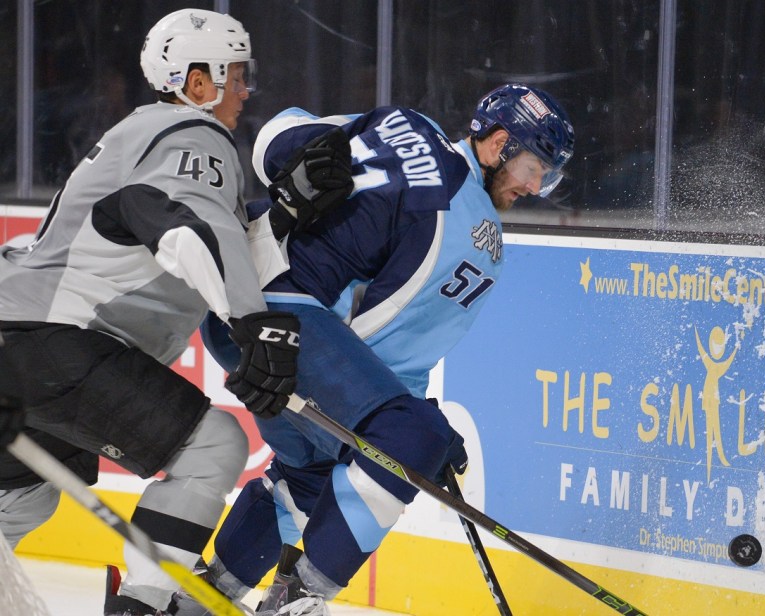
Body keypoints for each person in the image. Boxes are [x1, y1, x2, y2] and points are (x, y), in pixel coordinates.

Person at [171, 83, 575, 616]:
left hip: (229, 296)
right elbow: (388, 349)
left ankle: (199, 600)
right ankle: (299, 600)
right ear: (499, 144)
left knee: (312, 471)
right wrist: (416, 429)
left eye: (547, 176)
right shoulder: (476, 233)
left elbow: (278, 134)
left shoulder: (404, 122)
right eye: (533, 168)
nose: (536, 185)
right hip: (283, 324)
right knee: (408, 438)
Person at [0, 9, 318, 616]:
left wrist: (285, 214)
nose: (245, 91)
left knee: (18, 502)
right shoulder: (192, 134)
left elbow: (206, 230)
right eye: (236, 76)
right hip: (59, 340)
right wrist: (254, 323)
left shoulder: (143, 134)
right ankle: (142, 608)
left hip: (19, 339)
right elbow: (189, 231)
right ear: (198, 84)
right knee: (212, 448)